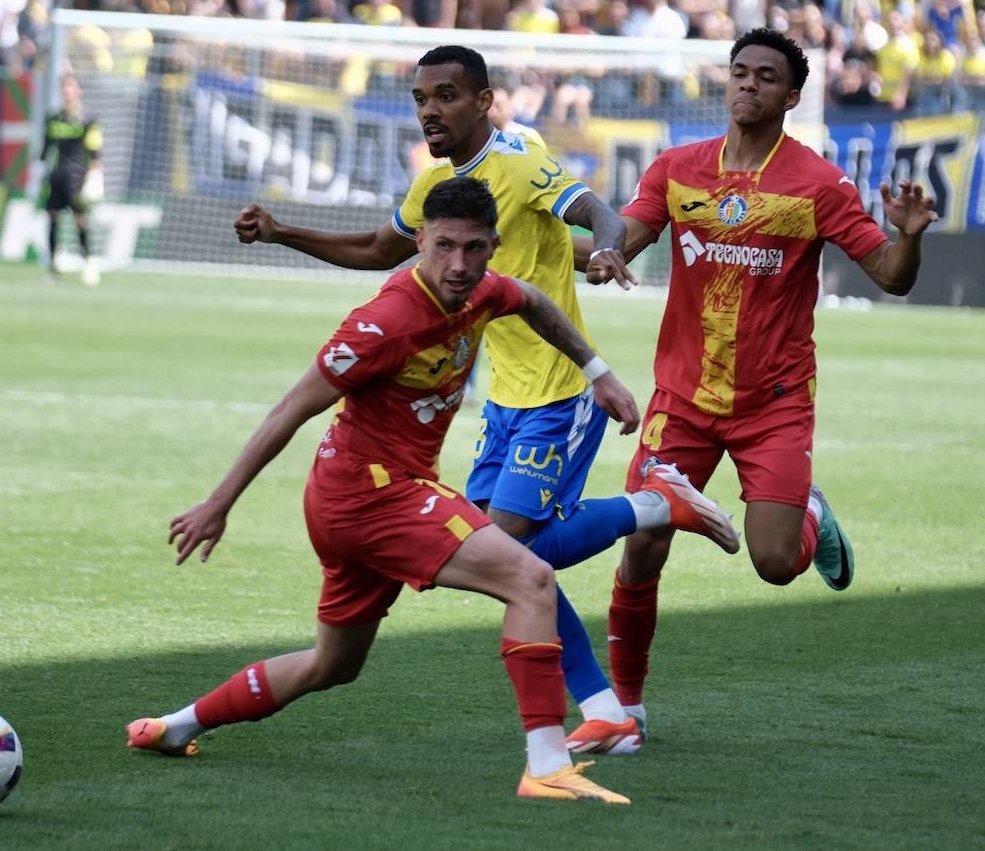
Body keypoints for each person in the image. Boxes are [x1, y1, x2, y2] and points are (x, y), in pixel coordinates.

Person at [130, 177, 736, 801]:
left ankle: (177, 726)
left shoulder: (481, 288)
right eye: (443, 246)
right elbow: (291, 409)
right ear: (419, 240)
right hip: (371, 496)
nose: (458, 264)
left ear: (492, 245)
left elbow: (531, 299)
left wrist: (597, 373)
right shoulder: (385, 322)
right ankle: (548, 764)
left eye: (474, 248)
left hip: (369, 496)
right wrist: (219, 502)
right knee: (528, 576)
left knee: (332, 664)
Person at [233, 45, 724, 757]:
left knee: (514, 551)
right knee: (514, 560)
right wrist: (284, 233)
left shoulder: (523, 165)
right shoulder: (438, 189)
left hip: (561, 391)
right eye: (422, 98)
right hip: (504, 397)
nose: (432, 109)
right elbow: (379, 251)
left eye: (447, 96)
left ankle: (657, 506)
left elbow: (599, 214)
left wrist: (612, 249)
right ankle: (605, 709)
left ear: (483, 101)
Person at [584, 27, 938, 737]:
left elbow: (891, 279)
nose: (748, 84)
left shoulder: (817, 183)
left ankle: (810, 511)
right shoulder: (678, 169)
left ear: (791, 95)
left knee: (776, 565)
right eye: (739, 72)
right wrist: (600, 252)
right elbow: (623, 236)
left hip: (772, 405)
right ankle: (626, 706)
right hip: (682, 399)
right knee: (644, 544)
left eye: (765, 77)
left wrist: (909, 235)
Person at [40, 73, 104, 287]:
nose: (67, 91)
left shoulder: (88, 119)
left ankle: (88, 263)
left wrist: (95, 175)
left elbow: (95, 151)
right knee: (52, 219)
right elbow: (45, 150)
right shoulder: (53, 118)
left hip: (77, 177)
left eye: (71, 87)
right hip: (56, 177)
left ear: (79, 90)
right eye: (64, 87)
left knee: (80, 221)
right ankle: (52, 267)